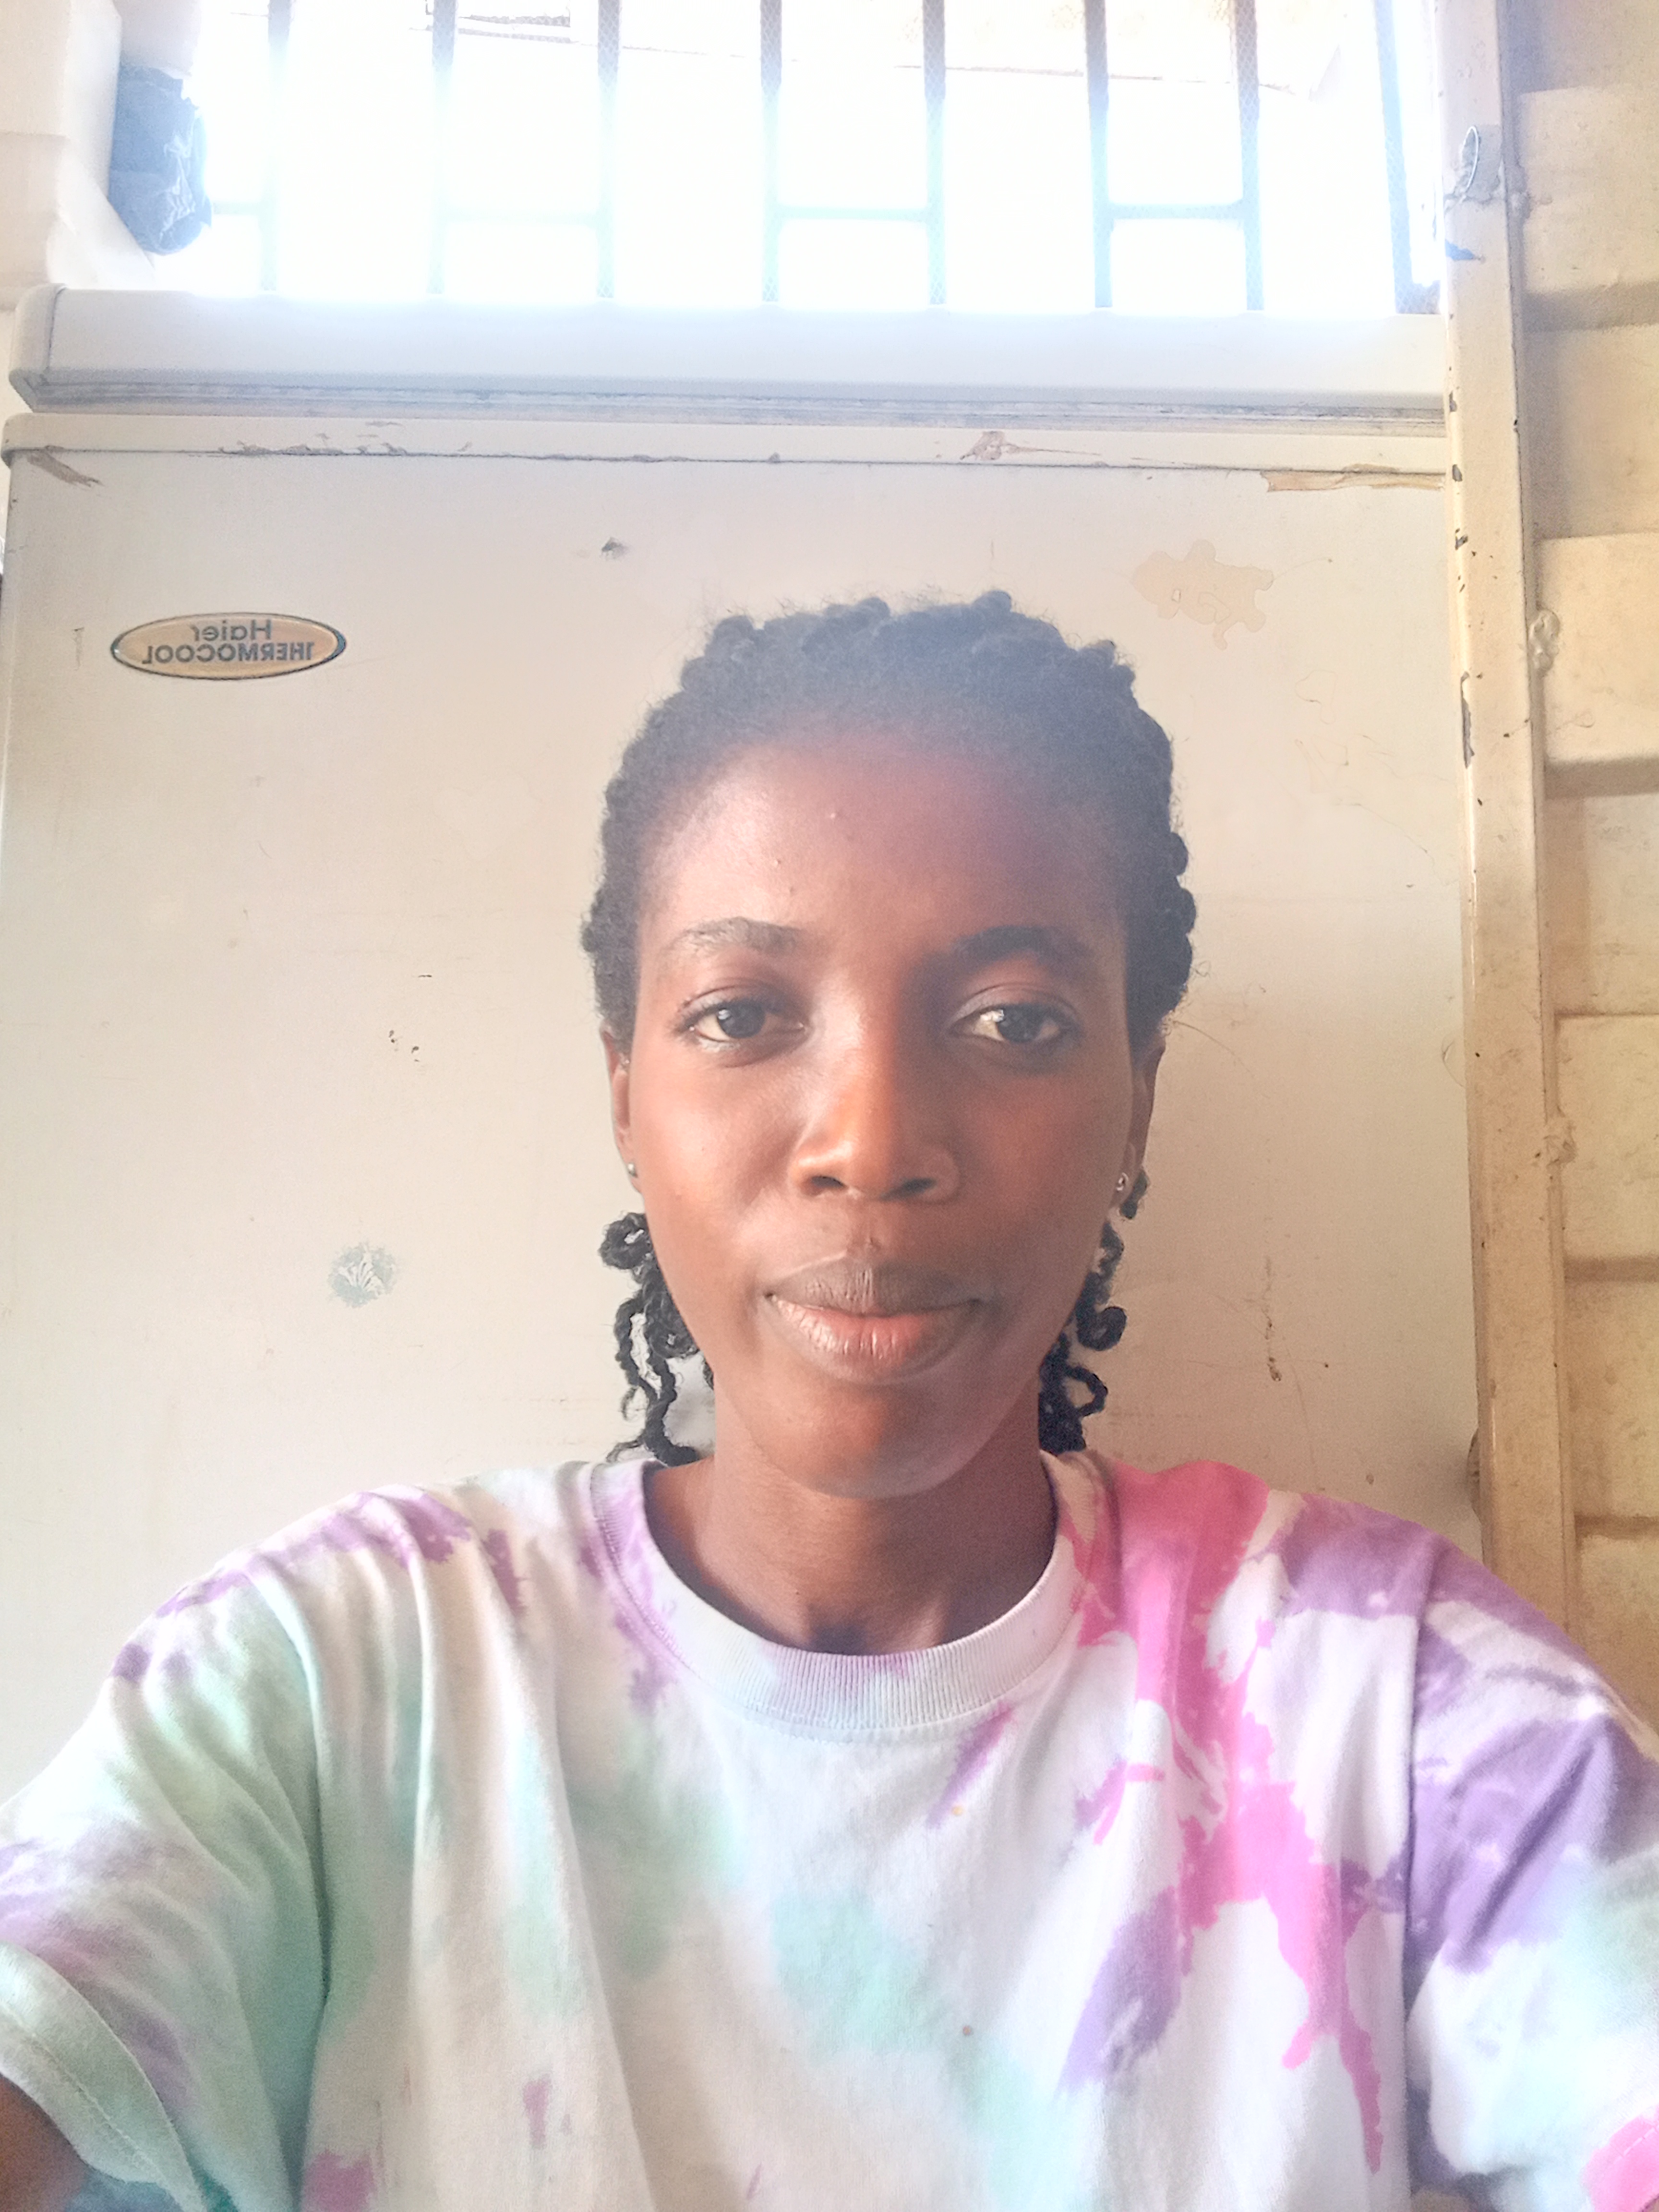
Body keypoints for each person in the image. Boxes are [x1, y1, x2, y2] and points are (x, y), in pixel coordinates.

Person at [1, 592, 1658, 2212]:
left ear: (1137, 1102)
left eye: (1014, 1022)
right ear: (626, 1094)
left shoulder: (1385, 1698)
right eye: (742, 1016)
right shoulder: (337, 1681)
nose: (871, 1142)